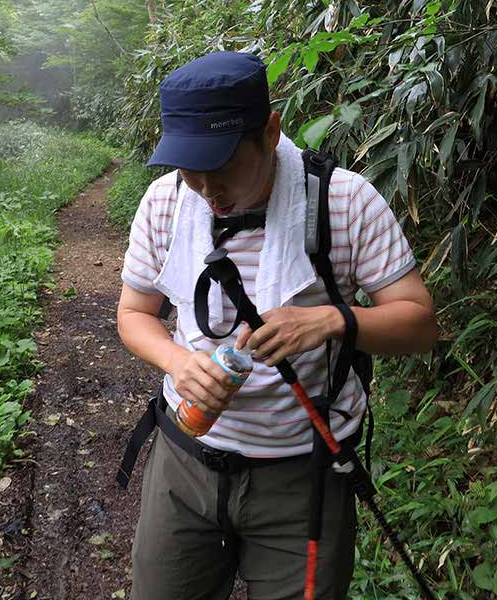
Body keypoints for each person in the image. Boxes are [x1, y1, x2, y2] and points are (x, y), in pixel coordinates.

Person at [116, 51, 441, 600]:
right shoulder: (166, 201)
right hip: (185, 463)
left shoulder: (343, 201)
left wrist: (330, 320)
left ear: (270, 132)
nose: (208, 192)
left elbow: (420, 324)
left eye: (222, 167)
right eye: (190, 171)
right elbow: (134, 314)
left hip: (302, 475)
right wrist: (179, 363)